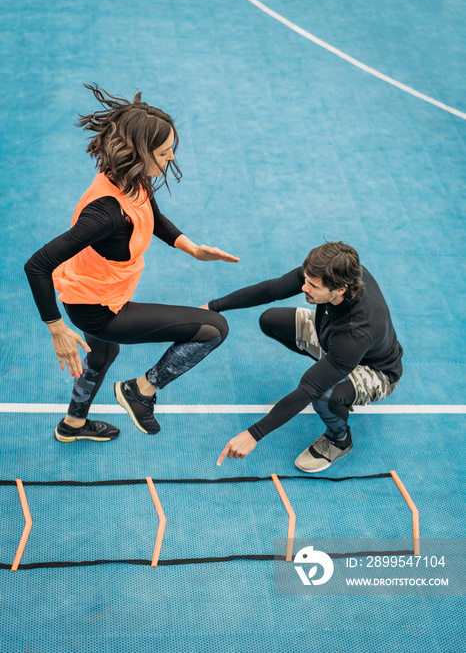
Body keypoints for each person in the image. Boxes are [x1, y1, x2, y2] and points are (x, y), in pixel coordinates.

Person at [25, 84, 238, 443]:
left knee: (104, 352)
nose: (171, 158)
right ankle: (140, 392)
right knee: (213, 329)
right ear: (141, 151)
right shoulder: (104, 215)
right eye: (165, 151)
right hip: (98, 310)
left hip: (98, 293)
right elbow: (37, 265)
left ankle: (72, 425)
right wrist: (56, 329)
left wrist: (192, 248)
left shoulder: (130, 176)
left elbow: (149, 210)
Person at [208, 242, 403, 472]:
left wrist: (253, 435)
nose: (304, 287)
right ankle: (335, 374)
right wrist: (213, 307)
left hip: (377, 371)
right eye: (306, 279)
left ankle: (339, 440)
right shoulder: (331, 270)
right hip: (334, 339)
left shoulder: (355, 333)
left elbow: (308, 388)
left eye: (313, 286)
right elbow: (272, 289)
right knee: (271, 321)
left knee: (322, 395)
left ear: (340, 289)